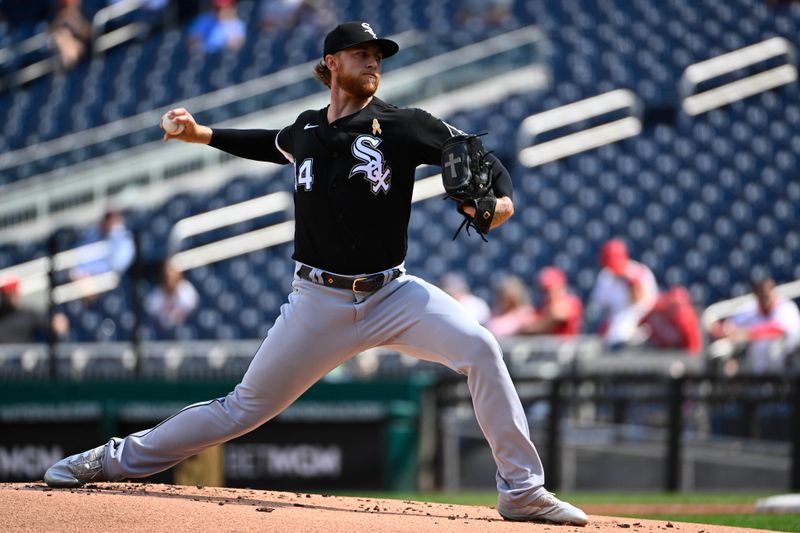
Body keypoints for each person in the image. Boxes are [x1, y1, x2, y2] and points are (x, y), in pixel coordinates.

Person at [44, 21, 587, 526]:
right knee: (240, 410)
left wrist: (504, 203)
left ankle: (520, 489)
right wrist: (204, 134)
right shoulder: (306, 130)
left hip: (391, 293)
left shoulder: (401, 125)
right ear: (331, 63)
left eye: (378, 56)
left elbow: (479, 156)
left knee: (481, 349)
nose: (373, 63)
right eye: (362, 54)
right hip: (316, 301)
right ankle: (109, 461)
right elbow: (269, 142)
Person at [709, 276, 800, 374]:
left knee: (774, 346)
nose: (765, 300)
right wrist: (723, 330)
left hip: (786, 366)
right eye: (761, 296)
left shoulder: (787, 308)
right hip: (756, 368)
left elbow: (777, 329)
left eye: (766, 295)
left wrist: (748, 334)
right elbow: (729, 328)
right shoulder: (750, 309)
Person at [587, 239, 658, 349]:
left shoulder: (640, 272)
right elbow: (597, 306)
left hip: (642, 329)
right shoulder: (605, 277)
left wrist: (631, 283)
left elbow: (647, 305)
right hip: (613, 332)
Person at [0, 275, 69, 343]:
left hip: (24, 353)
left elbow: (52, 324)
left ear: (18, 292)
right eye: (8, 294)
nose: (11, 297)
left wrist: (56, 323)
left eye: (13, 293)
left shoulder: (28, 313)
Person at [70, 209, 136, 280]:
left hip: (91, 270)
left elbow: (111, 265)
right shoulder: (96, 234)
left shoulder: (119, 243)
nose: (102, 224)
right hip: (73, 256)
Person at [639, 285, 702, 355]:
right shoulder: (657, 309)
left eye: (676, 306)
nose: (672, 309)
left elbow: (693, 349)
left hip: (677, 353)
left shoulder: (687, 319)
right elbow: (641, 322)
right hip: (654, 348)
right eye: (671, 303)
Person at [521, 266, 582, 336]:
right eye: (543, 291)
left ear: (559, 287)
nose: (546, 295)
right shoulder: (542, 307)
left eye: (548, 290)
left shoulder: (571, 301)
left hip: (566, 345)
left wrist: (531, 329)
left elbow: (557, 316)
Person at [144, 260, 199, 336]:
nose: (169, 275)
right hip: (162, 334)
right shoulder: (156, 293)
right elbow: (152, 317)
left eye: (172, 271)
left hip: (183, 331)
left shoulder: (187, 290)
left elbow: (191, 316)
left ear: (179, 274)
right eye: (166, 272)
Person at [50, 0, 91, 70]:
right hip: (70, 39)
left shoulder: (87, 8)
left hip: (87, 45)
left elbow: (89, 32)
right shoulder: (58, 16)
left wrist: (77, 24)